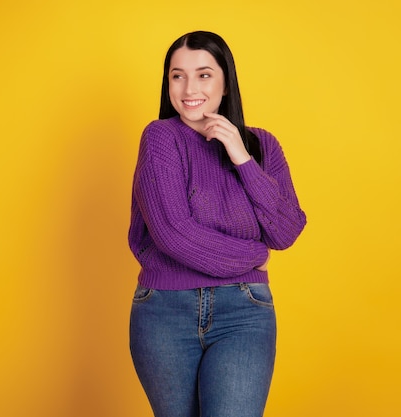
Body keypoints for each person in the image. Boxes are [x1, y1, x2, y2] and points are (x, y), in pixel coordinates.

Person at [127, 30, 307, 417]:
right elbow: (174, 233)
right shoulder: (160, 138)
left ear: (226, 82)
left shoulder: (262, 145)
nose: (189, 87)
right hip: (164, 313)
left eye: (204, 74)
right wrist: (254, 254)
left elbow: (287, 230)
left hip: (243, 312)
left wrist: (242, 157)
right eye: (177, 75)